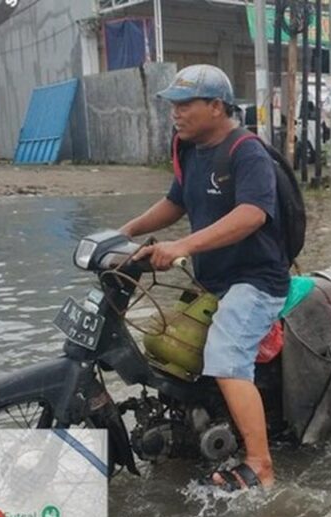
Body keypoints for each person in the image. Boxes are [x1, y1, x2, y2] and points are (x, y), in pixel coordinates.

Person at [119, 64, 289, 490]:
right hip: (213, 280)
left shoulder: (246, 152)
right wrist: (125, 232)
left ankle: (260, 465)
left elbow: (252, 215)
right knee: (168, 344)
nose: (175, 113)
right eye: (172, 105)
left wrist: (182, 245)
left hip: (255, 281)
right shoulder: (188, 149)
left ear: (216, 106)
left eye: (185, 104)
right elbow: (175, 202)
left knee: (226, 355)